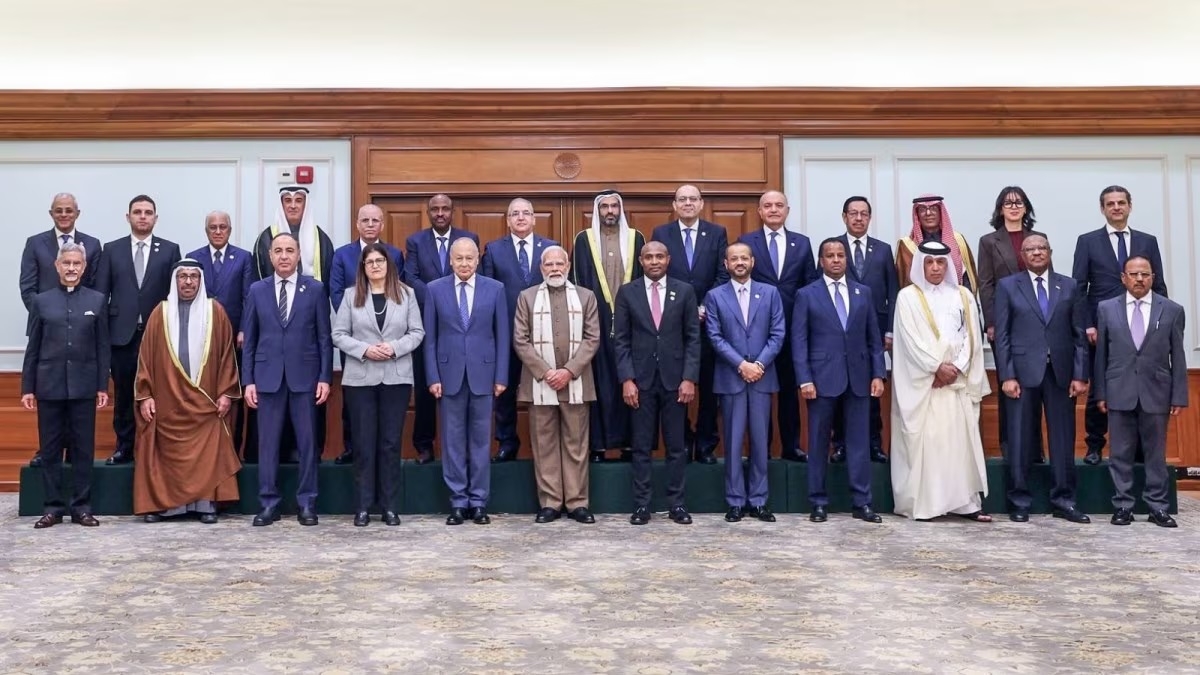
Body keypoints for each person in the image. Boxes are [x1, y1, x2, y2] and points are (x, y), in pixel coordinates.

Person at [132, 259, 242, 524]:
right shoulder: (160, 313)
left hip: (207, 402)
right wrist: (145, 395)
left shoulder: (215, 312)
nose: (189, 282)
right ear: (175, 281)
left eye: (194, 276)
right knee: (164, 450)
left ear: (201, 280)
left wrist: (226, 393)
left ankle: (205, 504)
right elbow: (145, 358)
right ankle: (167, 507)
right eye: (183, 276)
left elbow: (228, 356)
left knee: (208, 447)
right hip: (167, 401)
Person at [993, 234, 1091, 523]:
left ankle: (1064, 500)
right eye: (1030, 249)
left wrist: (1080, 374)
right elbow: (1003, 336)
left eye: (1041, 248)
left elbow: (1079, 334)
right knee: (1020, 438)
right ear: (1022, 255)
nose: (1036, 252)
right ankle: (1019, 501)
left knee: (1062, 438)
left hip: (1061, 373)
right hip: (1021, 375)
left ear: (1050, 252)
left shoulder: (1069, 286)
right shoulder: (1008, 286)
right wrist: (1007, 375)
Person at [890, 241, 991, 522]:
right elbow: (909, 340)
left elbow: (972, 335)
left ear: (948, 265)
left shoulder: (963, 295)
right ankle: (928, 505)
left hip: (956, 384)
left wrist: (956, 368)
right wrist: (935, 368)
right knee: (930, 444)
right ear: (920, 265)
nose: (935, 268)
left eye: (941, 262)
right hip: (926, 385)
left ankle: (966, 504)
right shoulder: (908, 297)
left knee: (959, 445)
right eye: (930, 262)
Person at [1072, 186, 1168, 466]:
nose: (1116, 207)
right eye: (1110, 203)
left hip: (1141, 327)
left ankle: (1137, 450)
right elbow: (1079, 288)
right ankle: (1094, 445)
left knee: (1138, 386)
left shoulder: (1147, 241)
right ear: (1102, 208)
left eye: (1121, 203)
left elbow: (1158, 285)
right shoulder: (1087, 241)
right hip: (1101, 328)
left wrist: (1159, 325)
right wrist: (1087, 325)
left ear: (1129, 206)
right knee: (1098, 388)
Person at [242, 232, 333, 527]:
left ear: (298, 255)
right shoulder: (257, 290)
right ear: (270, 256)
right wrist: (248, 381)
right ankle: (269, 503)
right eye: (278, 250)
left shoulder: (315, 289)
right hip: (267, 379)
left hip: (305, 379)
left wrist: (325, 377)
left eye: (289, 250)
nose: (283, 256)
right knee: (267, 445)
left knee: (307, 443)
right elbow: (250, 340)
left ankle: (307, 503)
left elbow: (324, 338)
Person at [794, 238, 886, 523]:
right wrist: (804, 379)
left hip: (859, 378)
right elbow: (799, 340)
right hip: (821, 380)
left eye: (840, 255)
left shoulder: (863, 292)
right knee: (819, 442)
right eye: (830, 255)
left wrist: (878, 374)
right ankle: (818, 502)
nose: (836, 260)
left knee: (859, 442)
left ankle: (862, 502)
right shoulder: (806, 294)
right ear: (821, 261)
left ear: (846, 259)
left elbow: (874, 338)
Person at [332, 242, 424, 527]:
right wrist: (365, 350)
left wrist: (394, 347)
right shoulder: (351, 296)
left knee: (390, 444)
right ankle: (362, 506)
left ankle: (389, 507)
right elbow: (338, 334)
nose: (375, 266)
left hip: (396, 378)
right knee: (363, 443)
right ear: (363, 267)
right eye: (369, 262)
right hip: (360, 379)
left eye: (379, 261)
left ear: (388, 264)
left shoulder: (406, 294)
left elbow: (417, 332)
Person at [1094, 256, 1186, 528]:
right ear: (1123, 278)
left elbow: (1178, 356)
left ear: (1152, 277)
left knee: (1155, 454)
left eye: (1144, 274)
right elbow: (1101, 355)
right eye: (1133, 274)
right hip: (1119, 390)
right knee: (1120, 453)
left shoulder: (1172, 310)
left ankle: (1158, 507)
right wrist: (1101, 393)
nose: (1139, 279)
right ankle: (1123, 505)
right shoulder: (1106, 308)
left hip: (1157, 391)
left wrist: (1179, 395)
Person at [21, 243, 109, 529]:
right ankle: (52, 507)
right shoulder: (41, 301)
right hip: (49, 386)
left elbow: (102, 347)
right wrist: (27, 387)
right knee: (50, 450)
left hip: (84, 387)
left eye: (76, 264)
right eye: (67, 263)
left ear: (84, 268)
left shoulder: (97, 300)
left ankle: (82, 507)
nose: (71, 268)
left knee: (83, 449)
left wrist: (102, 386)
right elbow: (33, 348)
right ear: (57, 266)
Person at [614, 242, 701, 525]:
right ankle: (642, 505)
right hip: (640, 382)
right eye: (649, 257)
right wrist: (627, 379)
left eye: (659, 256)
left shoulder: (684, 291)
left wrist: (689, 378)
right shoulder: (627, 292)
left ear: (668, 259)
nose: (654, 261)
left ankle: (677, 504)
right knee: (641, 447)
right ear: (641, 260)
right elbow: (621, 340)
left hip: (676, 381)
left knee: (676, 446)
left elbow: (693, 338)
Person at [512, 246, 601, 523]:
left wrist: (568, 371)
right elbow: (520, 340)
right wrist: (546, 372)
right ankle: (550, 503)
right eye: (549, 264)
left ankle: (577, 503)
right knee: (544, 444)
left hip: (576, 382)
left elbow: (592, 338)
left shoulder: (586, 296)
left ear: (568, 266)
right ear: (541, 269)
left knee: (577, 445)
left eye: (559, 264)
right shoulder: (526, 297)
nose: (554, 269)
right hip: (540, 383)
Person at [423, 238, 509, 526]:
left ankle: (479, 502)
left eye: (469, 258)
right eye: (458, 258)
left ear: (477, 260)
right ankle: (458, 502)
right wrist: (433, 376)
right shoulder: (434, 290)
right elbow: (430, 339)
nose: (464, 264)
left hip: (484, 375)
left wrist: (501, 376)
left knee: (481, 442)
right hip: (448, 377)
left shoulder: (495, 289)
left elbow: (502, 335)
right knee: (453, 442)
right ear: (450, 260)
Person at [249, 186, 335, 463]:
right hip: (272, 352)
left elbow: (327, 286)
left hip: (305, 345)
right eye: (288, 200)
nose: (293, 205)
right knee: (269, 434)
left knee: (307, 430)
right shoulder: (265, 238)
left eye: (299, 200)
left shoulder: (321, 239)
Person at [95, 195, 182, 465]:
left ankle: (157, 449)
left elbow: (175, 297)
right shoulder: (112, 249)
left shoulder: (170, 250)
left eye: (148, 212)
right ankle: (124, 447)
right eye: (137, 212)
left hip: (158, 337)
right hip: (122, 336)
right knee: (124, 395)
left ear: (155, 218)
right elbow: (101, 295)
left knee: (161, 393)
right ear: (128, 217)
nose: (143, 216)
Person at [19, 193, 103, 468]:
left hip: (82, 337)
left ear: (77, 213)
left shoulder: (93, 244)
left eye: (69, 210)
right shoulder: (35, 243)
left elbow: (95, 287)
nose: (64, 214)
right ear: (51, 213)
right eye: (59, 210)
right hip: (48, 332)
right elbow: (27, 287)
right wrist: (48, 314)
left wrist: (76, 316)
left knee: (80, 425)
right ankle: (49, 455)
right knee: (51, 423)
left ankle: (75, 461)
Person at [704, 242, 784, 522]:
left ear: (753, 262)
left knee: (761, 442)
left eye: (744, 258)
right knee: (733, 442)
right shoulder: (715, 296)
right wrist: (741, 365)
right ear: (725, 264)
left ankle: (759, 501)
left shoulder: (770, 293)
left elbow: (778, 333)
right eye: (734, 259)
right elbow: (714, 336)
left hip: (762, 376)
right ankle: (735, 501)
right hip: (732, 377)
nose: (739, 263)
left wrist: (759, 365)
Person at [651, 184, 729, 464]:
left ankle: (706, 444)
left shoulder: (717, 232)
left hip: (709, 321)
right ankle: (682, 441)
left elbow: (723, 274)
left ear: (701, 204)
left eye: (693, 199)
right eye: (682, 199)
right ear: (674, 205)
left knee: (708, 385)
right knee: (675, 384)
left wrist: (704, 306)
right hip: (672, 322)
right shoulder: (662, 233)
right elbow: (657, 273)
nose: (687, 203)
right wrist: (682, 308)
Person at [737, 190, 817, 462]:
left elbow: (809, 284)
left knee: (789, 391)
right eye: (768, 205)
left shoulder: (802, 243)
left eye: (779, 205)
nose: (773, 209)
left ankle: (791, 446)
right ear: (759, 211)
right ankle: (762, 449)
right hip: (757, 330)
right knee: (759, 393)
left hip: (794, 329)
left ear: (787, 211)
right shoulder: (746, 242)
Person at [482, 198, 558, 463]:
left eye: (526, 213)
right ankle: (507, 442)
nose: (521, 218)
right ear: (508, 220)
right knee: (505, 390)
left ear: (534, 219)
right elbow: (487, 293)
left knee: (545, 389)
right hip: (506, 333)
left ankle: (547, 445)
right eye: (515, 214)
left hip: (544, 334)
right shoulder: (493, 250)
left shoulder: (550, 247)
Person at [571, 189, 645, 463]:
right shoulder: (583, 239)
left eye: (615, 206)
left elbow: (643, 279)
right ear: (597, 211)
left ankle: (630, 445)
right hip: (595, 321)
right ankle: (598, 446)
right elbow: (577, 281)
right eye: (605, 207)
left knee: (630, 380)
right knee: (599, 382)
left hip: (633, 323)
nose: (610, 211)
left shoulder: (636, 238)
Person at [405, 194, 479, 464]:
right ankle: (424, 445)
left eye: (445, 209)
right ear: (428, 212)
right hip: (426, 322)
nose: (440, 213)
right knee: (426, 385)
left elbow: (474, 274)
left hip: (462, 324)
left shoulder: (468, 238)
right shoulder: (415, 241)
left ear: (452, 211)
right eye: (434, 209)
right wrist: (439, 295)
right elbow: (410, 277)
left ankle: (464, 449)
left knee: (462, 386)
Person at [329, 204, 405, 466]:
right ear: (357, 224)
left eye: (375, 220)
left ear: (382, 224)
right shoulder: (342, 255)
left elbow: (399, 293)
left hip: (388, 342)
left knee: (386, 403)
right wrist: (358, 326)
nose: (370, 225)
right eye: (365, 220)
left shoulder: (394, 254)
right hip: (354, 339)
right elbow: (336, 293)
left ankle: (382, 451)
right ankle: (352, 447)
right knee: (354, 398)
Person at [977, 186, 1048, 463]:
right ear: (1000, 209)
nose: (1014, 207)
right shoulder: (988, 242)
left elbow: (1047, 280)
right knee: (1009, 385)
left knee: (1036, 385)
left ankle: (1035, 450)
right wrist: (991, 322)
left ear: (1026, 208)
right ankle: (1011, 449)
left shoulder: (1037, 239)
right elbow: (986, 284)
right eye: (1008, 203)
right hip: (1005, 323)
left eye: (1019, 202)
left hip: (1036, 324)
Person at [831, 196, 895, 464]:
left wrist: (889, 331)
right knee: (839, 389)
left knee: (872, 388)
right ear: (844, 217)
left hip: (874, 335)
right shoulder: (834, 248)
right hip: (840, 333)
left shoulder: (883, 250)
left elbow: (893, 292)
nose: (858, 218)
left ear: (870, 217)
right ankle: (841, 445)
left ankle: (874, 444)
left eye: (864, 214)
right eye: (853, 213)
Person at [186, 211, 255, 461]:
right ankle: (203, 451)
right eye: (213, 227)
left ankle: (232, 451)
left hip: (234, 338)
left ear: (230, 230)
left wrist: (244, 329)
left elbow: (248, 297)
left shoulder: (244, 257)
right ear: (206, 230)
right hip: (200, 338)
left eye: (222, 227)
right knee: (202, 392)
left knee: (232, 394)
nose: (218, 231)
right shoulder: (193, 257)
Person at [896, 195, 979, 291]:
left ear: (941, 212)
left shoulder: (957, 240)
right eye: (922, 210)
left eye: (933, 209)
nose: (928, 213)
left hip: (954, 296)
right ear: (917, 215)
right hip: (920, 298)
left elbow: (967, 277)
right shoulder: (907, 245)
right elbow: (904, 281)